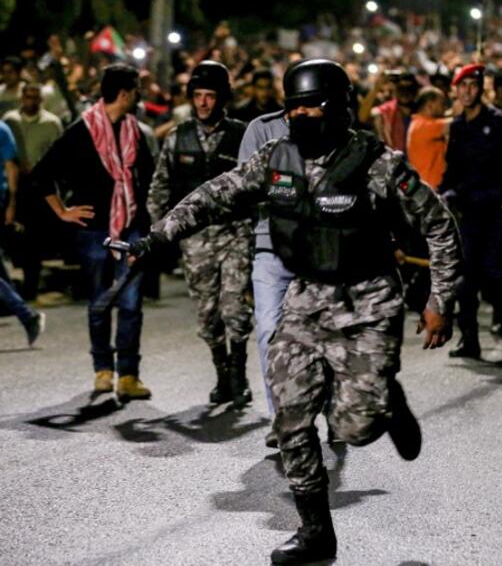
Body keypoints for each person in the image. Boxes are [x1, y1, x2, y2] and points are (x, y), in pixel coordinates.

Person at [128, 58, 462, 565]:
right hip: (305, 297)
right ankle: (315, 533)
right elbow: (215, 195)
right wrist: (155, 237)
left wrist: (440, 301)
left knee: (353, 429)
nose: (302, 115)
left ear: (339, 108)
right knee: (289, 415)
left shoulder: (377, 163)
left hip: (367, 300)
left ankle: (386, 403)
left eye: (313, 105)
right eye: (294, 106)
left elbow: (440, 227)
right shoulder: (274, 158)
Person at [34, 63, 154, 400]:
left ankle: (128, 375)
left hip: (131, 228)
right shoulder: (81, 131)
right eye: (137, 90)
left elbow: (148, 177)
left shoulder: (135, 131)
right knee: (100, 302)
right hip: (94, 231)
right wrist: (63, 211)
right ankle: (103, 369)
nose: (140, 96)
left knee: (131, 303)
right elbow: (43, 174)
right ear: (125, 93)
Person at [147, 60, 253, 408]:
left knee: (234, 308)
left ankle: (238, 372)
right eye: (198, 96)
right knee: (208, 316)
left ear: (222, 98)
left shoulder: (242, 136)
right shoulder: (178, 137)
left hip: (236, 233)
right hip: (195, 241)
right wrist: (160, 232)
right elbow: (160, 188)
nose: (204, 102)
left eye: (210, 96)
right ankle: (221, 373)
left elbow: (258, 185)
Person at [440, 63, 502, 359]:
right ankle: (469, 340)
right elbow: (453, 170)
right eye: (462, 86)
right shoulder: (458, 126)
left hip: (497, 209)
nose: (467, 92)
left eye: (472, 86)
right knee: (466, 279)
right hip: (469, 211)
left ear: (481, 88)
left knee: (495, 273)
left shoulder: (500, 122)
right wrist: (442, 193)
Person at [236, 107, 292, 446]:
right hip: (270, 244)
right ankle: (280, 419)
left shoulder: (333, 129)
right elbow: (243, 184)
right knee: (269, 330)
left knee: (320, 333)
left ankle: (327, 406)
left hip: (320, 250)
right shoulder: (261, 129)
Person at [3, 82, 64, 300]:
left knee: (34, 237)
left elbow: (58, 153)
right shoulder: (9, 120)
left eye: (34, 97)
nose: (31, 101)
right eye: (27, 97)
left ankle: (30, 286)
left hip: (39, 185)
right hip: (14, 181)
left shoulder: (51, 123)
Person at [0, 118, 44, 345]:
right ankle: (26, 314)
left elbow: (10, 166)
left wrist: (12, 203)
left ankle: (27, 314)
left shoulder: (1, 129)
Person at [406, 85, 450, 189]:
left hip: (432, 187)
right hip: (430, 189)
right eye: (442, 104)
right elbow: (453, 125)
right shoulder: (421, 125)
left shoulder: (421, 123)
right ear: (430, 106)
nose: (445, 109)